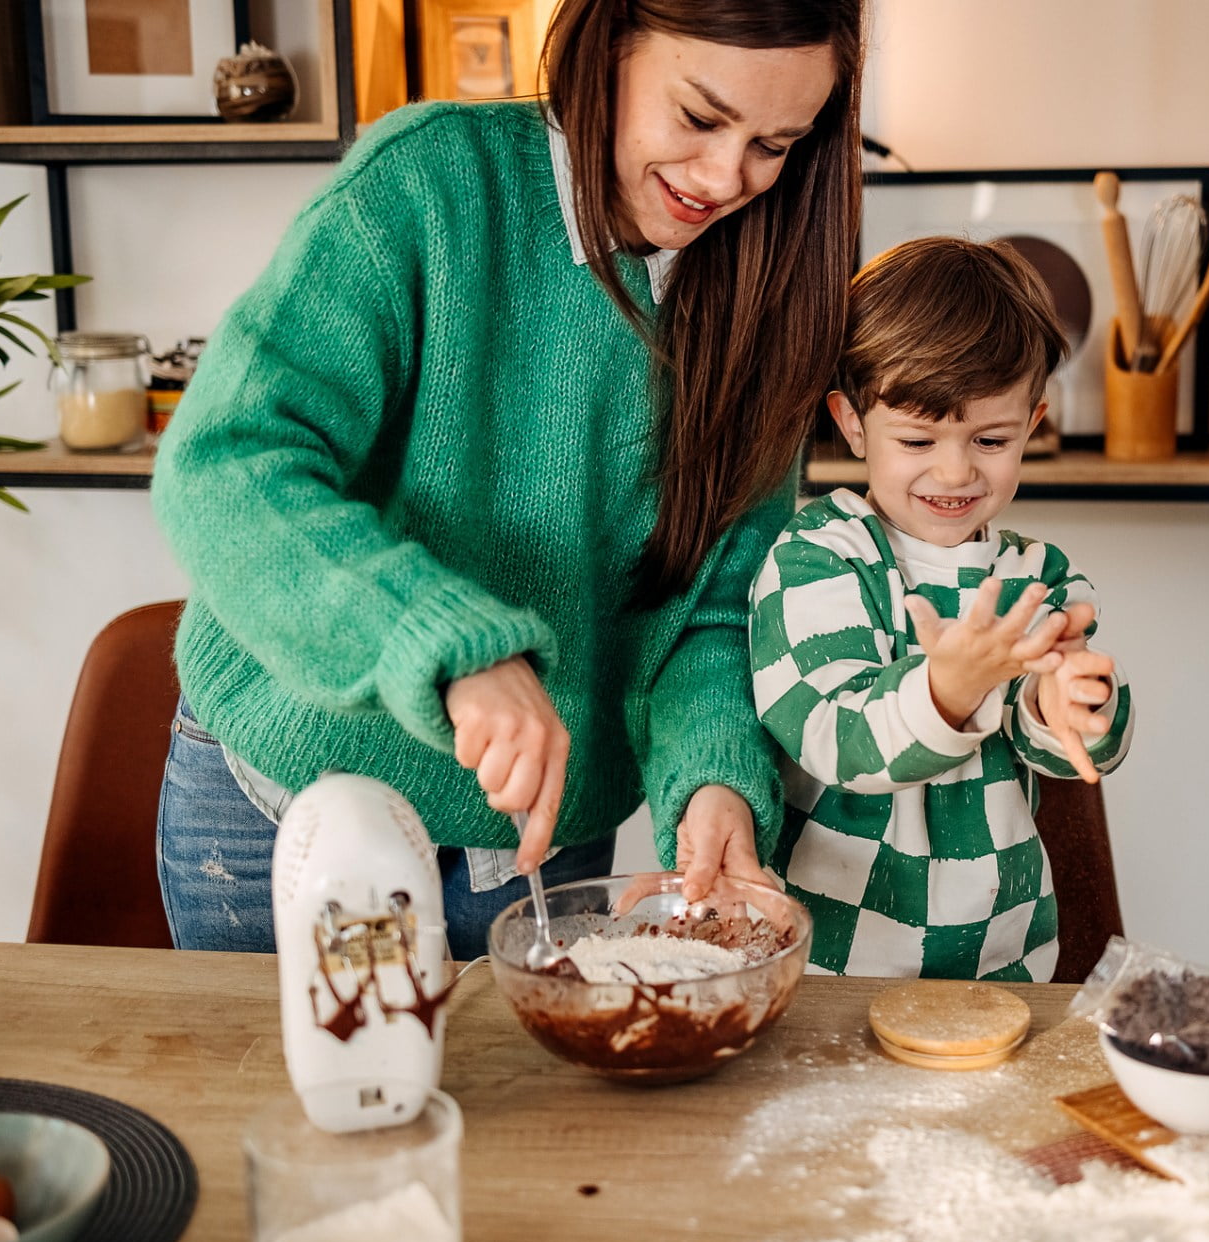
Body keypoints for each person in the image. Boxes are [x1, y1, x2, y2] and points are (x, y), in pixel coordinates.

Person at [151, 0, 864, 954]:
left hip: (539, 841)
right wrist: (452, 645)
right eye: (698, 117)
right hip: (286, 794)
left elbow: (713, 608)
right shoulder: (431, 184)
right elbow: (225, 466)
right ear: (606, 45)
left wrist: (713, 781)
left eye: (775, 144)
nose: (726, 177)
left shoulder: (769, 296)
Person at [749, 237, 1134, 981]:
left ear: (1034, 422)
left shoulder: (1037, 573)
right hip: (835, 965)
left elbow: (1069, 753)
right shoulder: (820, 555)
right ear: (854, 422)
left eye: (991, 439)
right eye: (918, 438)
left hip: (1004, 955)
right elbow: (833, 737)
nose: (955, 470)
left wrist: (1074, 707)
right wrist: (946, 690)